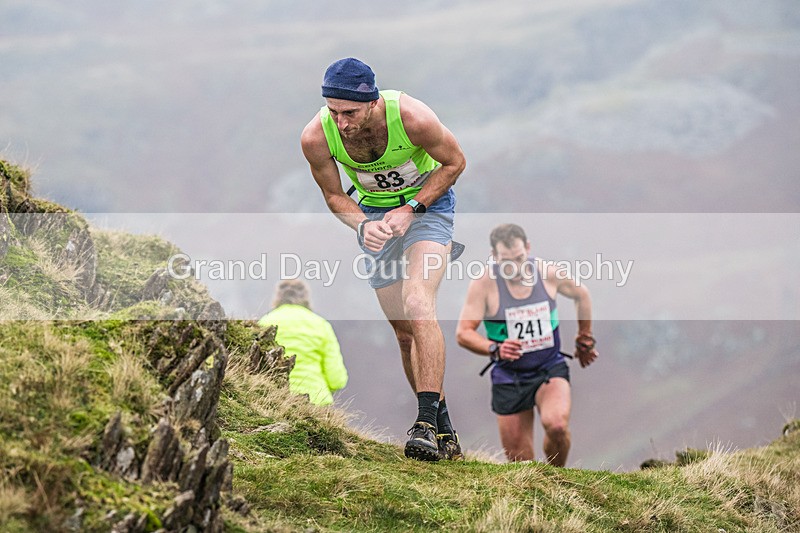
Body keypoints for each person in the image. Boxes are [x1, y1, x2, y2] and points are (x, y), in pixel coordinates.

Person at [300, 57, 466, 461]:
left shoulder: (412, 118)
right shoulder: (316, 137)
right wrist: (360, 225)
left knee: (418, 303)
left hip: (428, 208)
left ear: (372, 103)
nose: (341, 123)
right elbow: (334, 195)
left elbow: (455, 163)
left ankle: (423, 422)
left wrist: (412, 207)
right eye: (333, 112)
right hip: (374, 217)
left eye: (350, 112)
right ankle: (444, 431)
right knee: (404, 331)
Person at [456, 224, 598, 465]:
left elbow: (581, 294)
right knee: (522, 465)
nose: (515, 267)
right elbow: (464, 333)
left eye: (520, 258)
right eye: (506, 261)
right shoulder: (484, 285)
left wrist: (584, 336)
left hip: (548, 367)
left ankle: (557, 479)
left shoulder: (548, 273)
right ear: (494, 257)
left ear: (528, 249)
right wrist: (495, 348)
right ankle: (537, 491)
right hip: (509, 377)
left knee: (557, 426)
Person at [258, 279, 348, 406]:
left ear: (278, 297)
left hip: (274, 400)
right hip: (316, 402)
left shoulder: (265, 322)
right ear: (306, 297)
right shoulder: (321, 325)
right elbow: (337, 380)